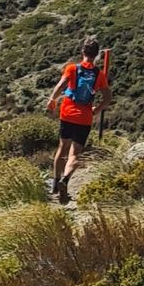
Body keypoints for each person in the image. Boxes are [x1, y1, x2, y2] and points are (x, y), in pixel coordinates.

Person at [46, 37, 109, 202]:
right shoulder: (99, 75)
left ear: (83, 51)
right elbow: (108, 97)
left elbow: (61, 85)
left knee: (62, 147)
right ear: (96, 55)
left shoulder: (72, 68)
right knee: (75, 154)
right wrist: (96, 109)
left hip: (67, 112)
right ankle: (65, 179)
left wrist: (52, 99)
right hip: (84, 117)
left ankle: (54, 184)